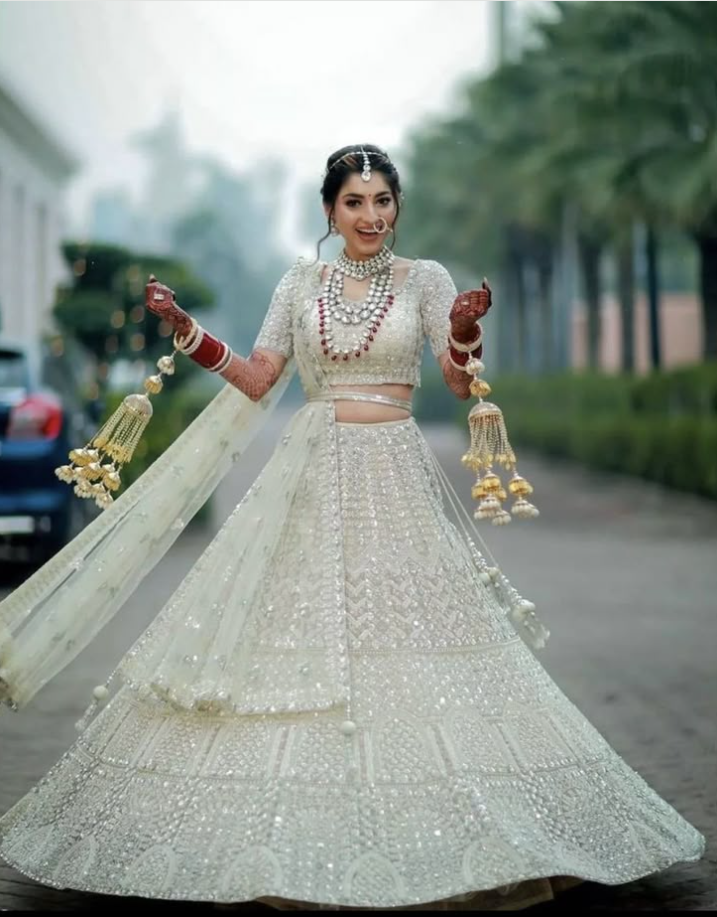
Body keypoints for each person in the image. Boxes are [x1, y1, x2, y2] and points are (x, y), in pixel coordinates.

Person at [0, 144, 705, 911]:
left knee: (413, 635)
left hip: (393, 475)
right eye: (354, 203)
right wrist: (186, 328)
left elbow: (458, 379)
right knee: (286, 635)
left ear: (396, 205)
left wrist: (465, 328)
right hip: (309, 474)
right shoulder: (300, 283)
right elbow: (260, 376)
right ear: (329, 211)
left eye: (382, 201)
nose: (371, 216)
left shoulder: (426, 280)